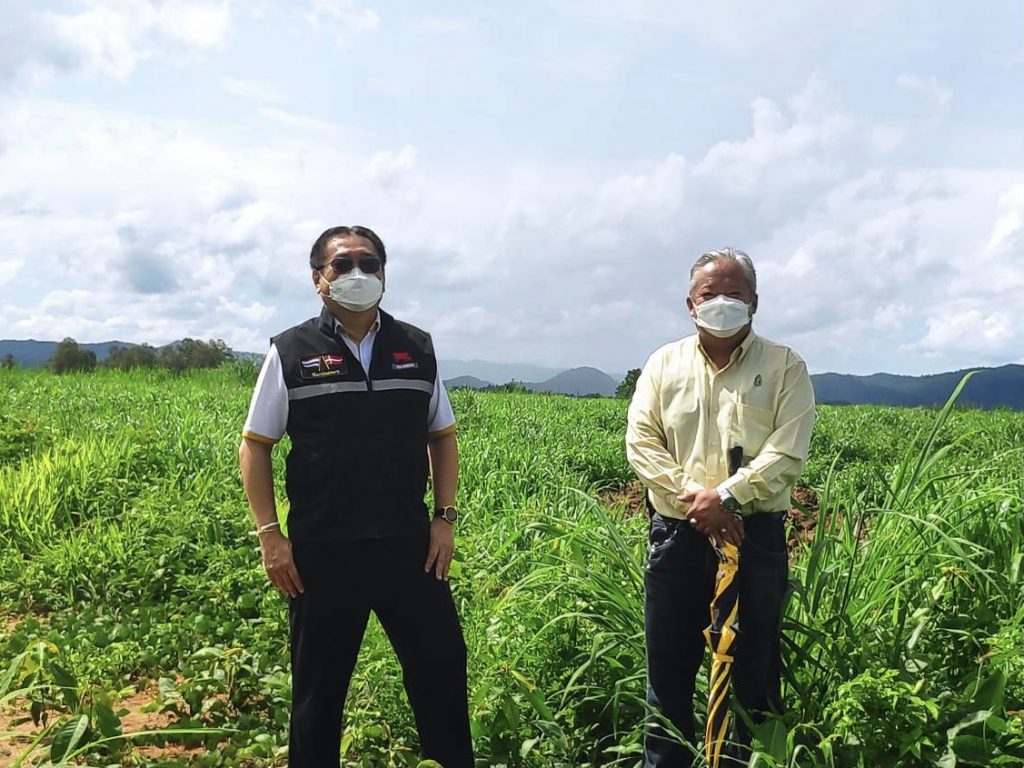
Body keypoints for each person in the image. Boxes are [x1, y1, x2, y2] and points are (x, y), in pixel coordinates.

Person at [238, 225, 474, 768]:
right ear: (318, 279)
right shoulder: (291, 351)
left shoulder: (416, 348)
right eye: (342, 264)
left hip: (410, 547)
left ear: (385, 273)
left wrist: (444, 518)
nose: (358, 273)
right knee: (319, 694)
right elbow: (256, 445)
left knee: (442, 670)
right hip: (322, 552)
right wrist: (270, 535)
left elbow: (442, 435)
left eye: (370, 263)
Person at [626, 248, 816, 767]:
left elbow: (787, 451)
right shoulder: (663, 364)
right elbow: (642, 443)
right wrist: (699, 500)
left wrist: (727, 496)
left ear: (754, 301)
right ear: (690, 304)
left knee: (755, 672)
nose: (722, 303)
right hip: (677, 536)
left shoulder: (784, 366)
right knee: (668, 673)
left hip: (754, 538)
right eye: (710, 294)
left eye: (735, 293)